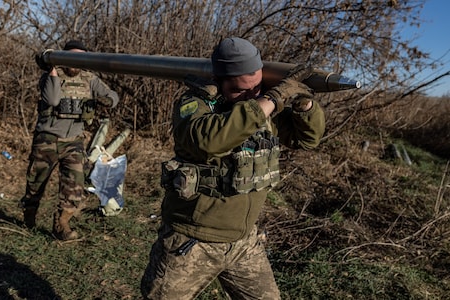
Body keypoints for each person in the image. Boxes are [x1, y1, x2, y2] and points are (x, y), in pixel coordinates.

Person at [140, 37, 326, 299]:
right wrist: (272, 98)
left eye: (256, 88)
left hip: (244, 242)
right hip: (193, 241)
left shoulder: (263, 102)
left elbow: (306, 140)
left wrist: (304, 104)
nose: (251, 96)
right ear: (219, 80)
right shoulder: (195, 103)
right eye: (240, 90)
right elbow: (208, 141)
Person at [20, 40, 119, 240]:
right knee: (35, 183)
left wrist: (107, 100)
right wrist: (53, 70)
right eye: (71, 57)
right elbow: (53, 100)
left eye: (80, 58)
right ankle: (29, 214)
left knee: (74, 184)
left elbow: (113, 96)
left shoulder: (90, 79)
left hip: (73, 140)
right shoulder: (49, 77)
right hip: (47, 139)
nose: (75, 63)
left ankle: (62, 223)